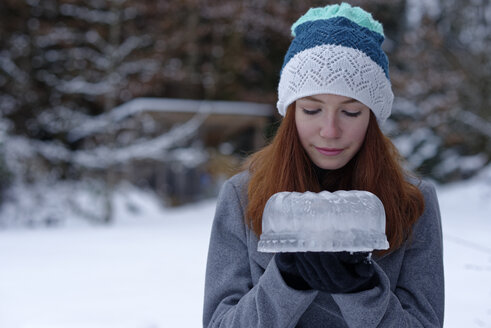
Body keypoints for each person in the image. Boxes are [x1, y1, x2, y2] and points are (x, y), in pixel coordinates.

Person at [203, 3, 444, 327]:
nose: (330, 131)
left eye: (351, 112)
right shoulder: (243, 195)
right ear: (290, 113)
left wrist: (364, 291)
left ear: (372, 117)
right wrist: (285, 282)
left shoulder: (413, 201)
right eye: (312, 110)